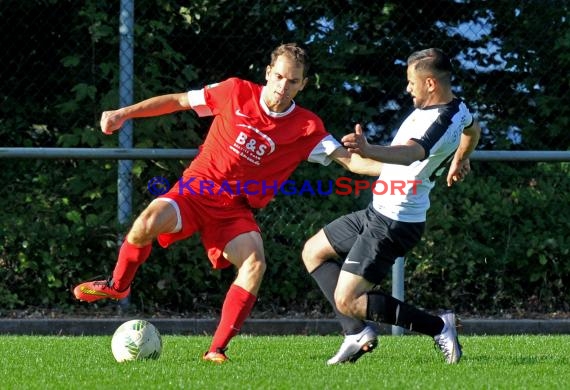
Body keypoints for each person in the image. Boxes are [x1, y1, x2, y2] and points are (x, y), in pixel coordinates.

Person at [73, 43, 381, 364]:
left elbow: (352, 162)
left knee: (255, 263)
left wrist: (407, 166)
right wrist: (124, 113)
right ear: (267, 73)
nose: (282, 87)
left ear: (303, 84)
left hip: (234, 210)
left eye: (292, 81)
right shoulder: (234, 91)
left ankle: (216, 349)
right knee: (145, 224)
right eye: (278, 77)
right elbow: (179, 100)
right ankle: (118, 286)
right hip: (194, 191)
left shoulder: (307, 127)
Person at [302, 48, 481, 365]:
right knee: (313, 250)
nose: (407, 88)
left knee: (348, 299)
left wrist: (370, 148)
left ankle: (439, 327)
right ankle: (357, 333)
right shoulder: (457, 109)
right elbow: (473, 129)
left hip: (395, 221)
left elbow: (411, 153)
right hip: (377, 211)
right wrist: (461, 159)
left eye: (411, 82)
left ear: (429, 83)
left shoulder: (439, 120)